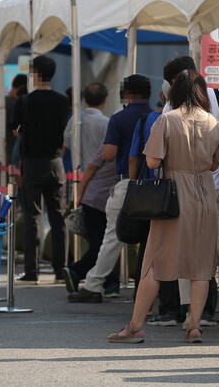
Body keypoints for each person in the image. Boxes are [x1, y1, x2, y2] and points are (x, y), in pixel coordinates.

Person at [107, 70, 219, 344]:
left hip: (173, 195)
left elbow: (151, 162)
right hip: (205, 195)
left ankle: (136, 325)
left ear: (175, 92)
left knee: (154, 262)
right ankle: (194, 325)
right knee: (201, 264)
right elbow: (215, 163)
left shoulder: (167, 120)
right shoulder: (212, 121)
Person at [161, 56, 219, 321]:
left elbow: (161, 150)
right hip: (218, 186)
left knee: (187, 252)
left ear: (174, 81)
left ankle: (191, 315)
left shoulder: (170, 107)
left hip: (183, 190)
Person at [69, 75, 153, 303]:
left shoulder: (118, 119)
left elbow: (108, 154)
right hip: (154, 185)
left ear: (125, 94)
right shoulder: (158, 116)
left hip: (126, 183)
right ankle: (153, 292)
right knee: (153, 239)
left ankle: (93, 285)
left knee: (112, 238)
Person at [17, 55, 70, 283]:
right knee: (58, 218)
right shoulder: (62, 101)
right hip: (55, 162)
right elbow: (64, 134)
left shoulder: (24, 101)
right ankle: (61, 270)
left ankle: (32, 271)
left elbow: (16, 131)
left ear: (34, 73)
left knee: (33, 217)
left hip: (32, 162)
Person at [61, 82, 112, 294]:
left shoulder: (76, 120)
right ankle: (80, 271)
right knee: (104, 240)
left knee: (98, 238)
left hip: (80, 179)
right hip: (103, 185)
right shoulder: (107, 123)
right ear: (105, 100)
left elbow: (65, 146)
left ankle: (108, 281)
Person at [65, 140, 120, 295]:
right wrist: (80, 194)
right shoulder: (113, 140)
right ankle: (77, 271)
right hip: (98, 199)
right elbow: (91, 166)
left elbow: (92, 166)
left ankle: (108, 281)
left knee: (104, 243)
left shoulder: (115, 137)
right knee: (102, 244)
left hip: (99, 197)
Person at [5, 74, 28, 162]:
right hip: (14, 151)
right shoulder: (16, 104)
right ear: (22, 87)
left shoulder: (3, 103)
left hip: (4, 150)